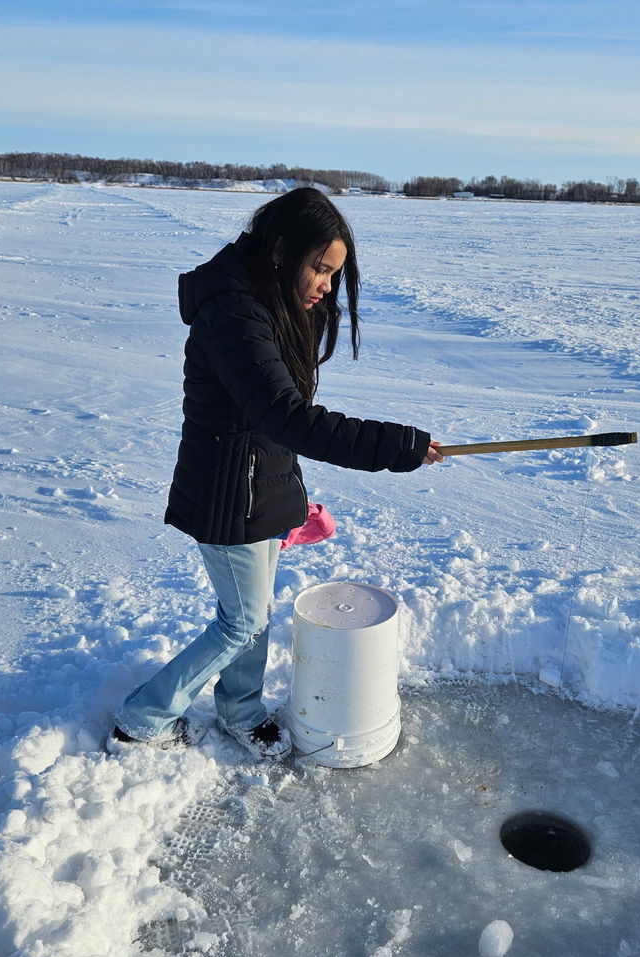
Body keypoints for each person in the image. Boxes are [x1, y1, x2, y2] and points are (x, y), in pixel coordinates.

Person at [109, 187, 443, 759]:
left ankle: (240, 710)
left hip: (256, 486)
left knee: (254, 613)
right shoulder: (234, 311)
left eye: (334, 274)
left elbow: (272, 420)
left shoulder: (262, 300)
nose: (326, 286)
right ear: (283, 249)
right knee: (240, 622)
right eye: (319, 267)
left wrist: (289, 497)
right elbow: (286, 416)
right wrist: (394, 444)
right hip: (226, 493)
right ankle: (142, 718)